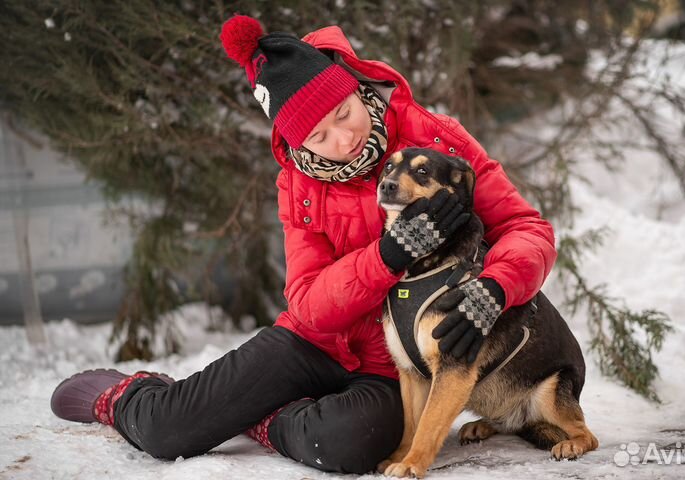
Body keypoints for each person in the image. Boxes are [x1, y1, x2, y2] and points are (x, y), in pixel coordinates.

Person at [50, 15, 557, 474]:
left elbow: (528, 229)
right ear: (297, 145)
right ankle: (120, 395)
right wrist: (386, 256)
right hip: (313, 342)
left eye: (343, 111)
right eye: (318, 136)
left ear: (357, 88)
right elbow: (309, 303)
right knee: (168, 431)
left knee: (349, 446)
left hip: (396, 361)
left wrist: (495, 286)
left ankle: (262, 419)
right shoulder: (298, 184)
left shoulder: (436, 142)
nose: (343, 139)